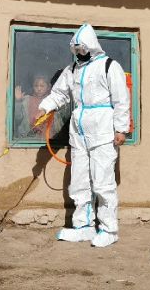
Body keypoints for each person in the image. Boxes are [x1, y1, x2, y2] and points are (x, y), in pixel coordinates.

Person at [37, 23, 130, 248]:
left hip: (103, 131)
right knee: (79, 180)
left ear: (91, 46)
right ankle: (83, 226)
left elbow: (121, 99)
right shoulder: (72, 70)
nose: (79, 53)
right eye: (76, 50)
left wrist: (121, 129)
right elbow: (59, 93)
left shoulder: (109, 66)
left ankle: (108, 229)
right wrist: (44, 107)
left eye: (82, 49)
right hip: (79, 132)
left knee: (102, 182)